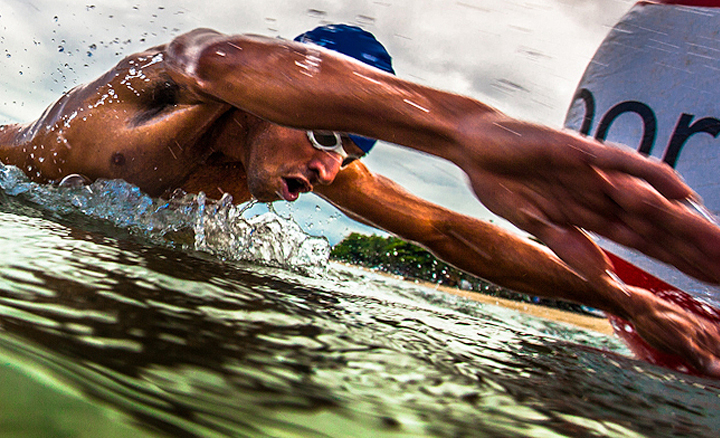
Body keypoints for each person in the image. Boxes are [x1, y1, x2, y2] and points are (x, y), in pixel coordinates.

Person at [0, 24, 718, 376]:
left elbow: (447, 231)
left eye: (350, 149)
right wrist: (466, 131)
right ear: (261, 104)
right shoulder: (152, 99)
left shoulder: (319, 165)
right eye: (322, 132)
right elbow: (216, 58)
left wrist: (624, 298)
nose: (326, 166)